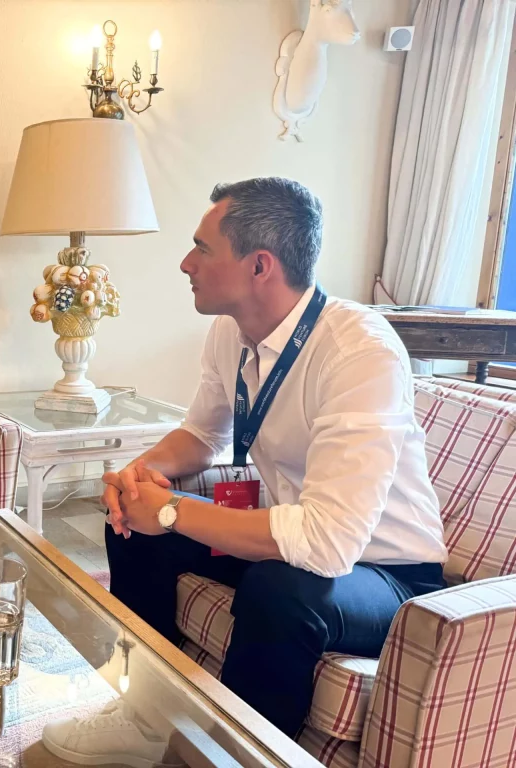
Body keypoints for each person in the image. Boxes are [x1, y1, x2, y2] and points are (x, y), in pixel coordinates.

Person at [42, 178, 448, 767]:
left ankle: (235, 758)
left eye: (202, 248)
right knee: (132, 529)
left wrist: (175, 510)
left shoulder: (360, 350)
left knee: (281, 590)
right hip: (296, 543)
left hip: (389, 574)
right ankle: (141, 716)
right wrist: (138, 478)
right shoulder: (229, 333)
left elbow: (330, 545)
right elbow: (206, 436)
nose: (186, 263)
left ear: (260, 265)